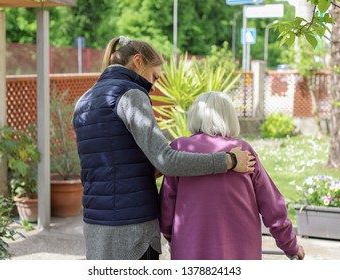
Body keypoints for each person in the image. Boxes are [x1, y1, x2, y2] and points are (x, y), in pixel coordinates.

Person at [72, 36, 255, 260]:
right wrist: (228, 161)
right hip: (133, 229)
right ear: (137, 61)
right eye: (154, 76)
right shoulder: (131, 95)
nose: (154, 86)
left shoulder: (84, 100)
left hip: (95, 222)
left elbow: (108, 164)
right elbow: (166, 160)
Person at [159, 91, 305, 260]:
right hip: (240, 253)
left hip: (192, 250)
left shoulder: (180, 148)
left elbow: (166, 209)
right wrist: (290, 246)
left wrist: (174, 240)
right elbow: (272, 207)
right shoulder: (243, 151)